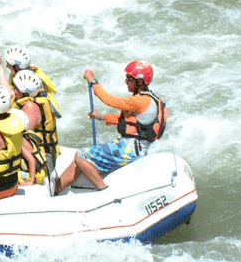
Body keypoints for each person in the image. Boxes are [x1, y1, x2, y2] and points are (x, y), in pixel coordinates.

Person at [55, 61, 168, 192]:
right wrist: (101, 116)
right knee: (77, 163)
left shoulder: (140, 101)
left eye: (130, 79)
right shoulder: (143, 98)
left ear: (140, 82)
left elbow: (109, 100)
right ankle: (55, 190)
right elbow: (125, 121)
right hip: (129, 145)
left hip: (130, 150)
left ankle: (103, 189)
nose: (126, 81)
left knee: (81, 156)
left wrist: (93, 81)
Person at [11, 69, 61, 187]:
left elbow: (25, 141)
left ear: (26, 93)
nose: (13, 90)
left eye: (16, 88)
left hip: (43, 160)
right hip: (42, 154)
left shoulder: (30, 107)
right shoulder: (38, 98)